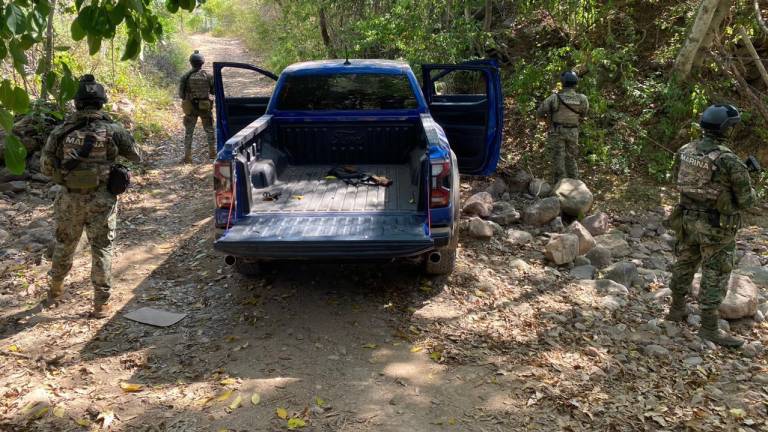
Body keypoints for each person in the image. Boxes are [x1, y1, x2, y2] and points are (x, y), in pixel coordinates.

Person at [40, 74, 142, 318]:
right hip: (102, 200)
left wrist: (66, 177)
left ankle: (54, 292)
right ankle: (101, 304)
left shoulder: (61, 131)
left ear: (77, 103)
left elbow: (46, 167)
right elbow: (136, 156)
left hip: (69, 200)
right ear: (101, 103)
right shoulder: (113, 130)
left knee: (64, 245)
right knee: (102, 249)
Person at [665, 104, 756, 348]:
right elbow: (747, 201)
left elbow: (678, 180)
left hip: (686, 221)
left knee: (684, 262)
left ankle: (676, 309)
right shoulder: (730, 161)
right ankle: (708, 328)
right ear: (727, 129)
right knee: (714, 273)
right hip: (716, 228)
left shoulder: (685, 150)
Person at [536, 71, 589, 183]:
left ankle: (560, 186)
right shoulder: (582, 98)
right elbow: (583, 115)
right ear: (576, 83)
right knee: (571, 158)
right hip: (573, 132)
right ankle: (575, 183)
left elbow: (539, 113)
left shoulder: (554, 98)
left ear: (563, 83)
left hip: (557, 131)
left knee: (558, 158)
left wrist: (548, 122)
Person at [179, 50, 215, 163]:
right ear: (202, 63)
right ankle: (213, 154)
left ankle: (188, 157)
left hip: (190, 108)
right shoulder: (208, 76)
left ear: (191, 63)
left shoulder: (185, 76)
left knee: (189, 132)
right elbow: (214, 92)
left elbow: (181, 94)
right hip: (205, 107)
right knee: (209, 131)